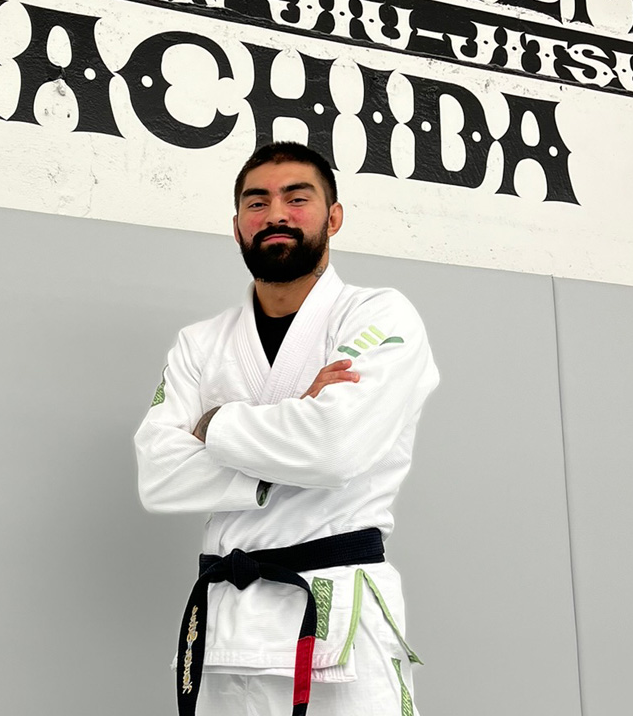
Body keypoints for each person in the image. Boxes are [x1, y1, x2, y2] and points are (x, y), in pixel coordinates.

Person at [134, 141, 439, 716]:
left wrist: (212, 422)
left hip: (335, 609)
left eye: (297, 198)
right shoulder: (200, 343)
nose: (275, 213)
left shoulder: (378, 315)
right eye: (257, 202)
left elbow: (334, 447)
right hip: (223, 626)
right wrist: (294, 424)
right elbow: (159, 476)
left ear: (333, 216)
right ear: (237, 226)